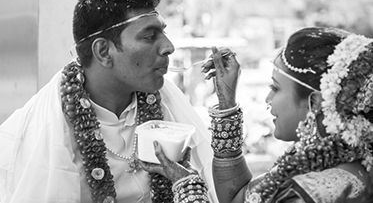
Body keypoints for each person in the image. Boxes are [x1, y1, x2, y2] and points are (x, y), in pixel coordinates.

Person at [0, 0, 218, 203]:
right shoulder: (47, 128)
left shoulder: (165, 103)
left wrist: (227, 104)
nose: (168, 46)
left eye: (164, 32)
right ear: (104, 51)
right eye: (150, 36)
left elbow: (226, 191)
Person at [140, 27, 373, 203]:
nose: (268, 100)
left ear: (314, 102)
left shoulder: (315, 191)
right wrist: (226, 102)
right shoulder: (336, 159)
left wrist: (187, 186)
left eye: (275, 88)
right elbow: (240, 199)